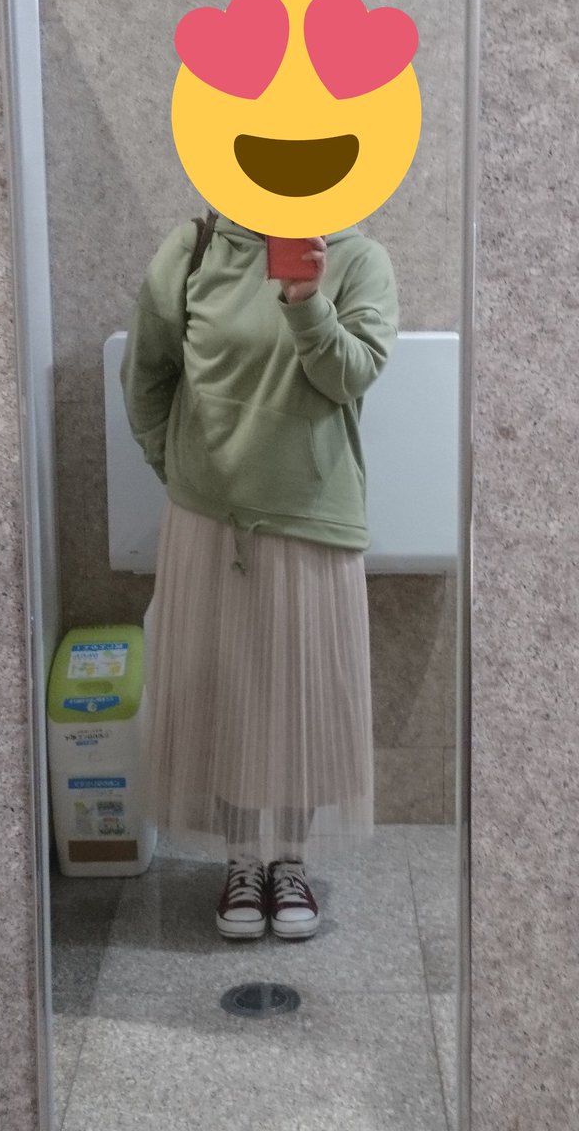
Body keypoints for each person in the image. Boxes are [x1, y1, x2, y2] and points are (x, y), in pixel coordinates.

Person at [120, 211, 399, 941]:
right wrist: (179, 470)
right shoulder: (195, 249)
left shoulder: (360, 259)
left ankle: (291, 860)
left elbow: (350, 375)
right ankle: (243, 860)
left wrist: (306, 301)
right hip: (209, 518)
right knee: (229, 692)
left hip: (314, 518)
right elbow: (147, 375)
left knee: (300, 695)